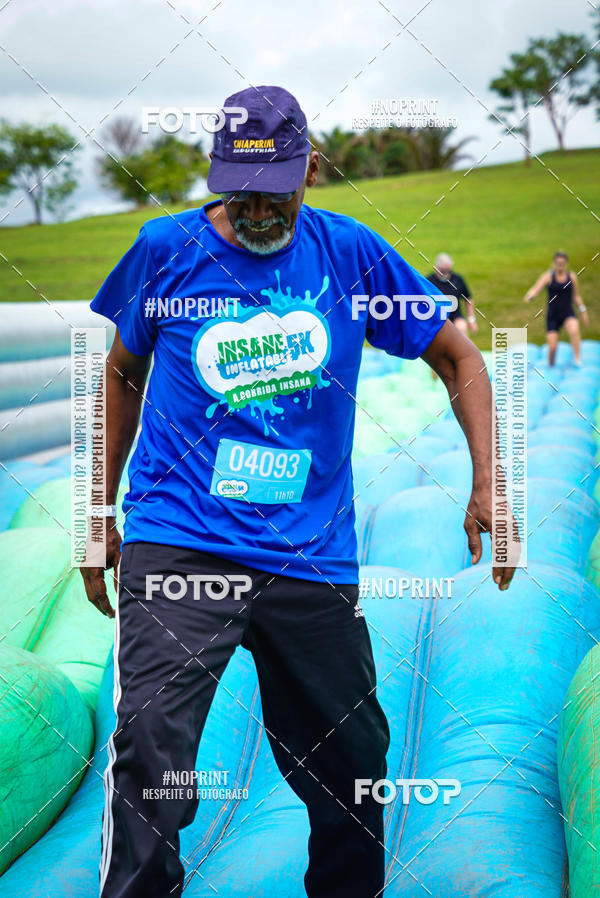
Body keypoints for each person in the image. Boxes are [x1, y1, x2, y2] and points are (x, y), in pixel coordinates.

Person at [81, 85, 514, 898]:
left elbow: (461, 356)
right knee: (151, 753)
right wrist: (95, 513)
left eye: (275, 190)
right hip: (179, 539)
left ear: (311, 169)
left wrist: (490, 478)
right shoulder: (163, 250)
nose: (255, 209)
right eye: (237, 191)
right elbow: (119, 373)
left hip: (310, 554)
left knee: (354, 765)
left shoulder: (350, 255)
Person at [524, 250, 588, 366]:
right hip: (553, 315)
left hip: (567, 313)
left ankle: (577, 359)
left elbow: (576, 296)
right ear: (554, 263)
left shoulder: (571, 277)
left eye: (562, 263)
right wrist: (530, 295)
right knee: (552, 347)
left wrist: (583, 310)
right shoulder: (548, 276)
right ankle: (551, 365)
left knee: (574, 330)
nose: (560, 266)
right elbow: (536, 288)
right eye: (558, 263)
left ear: (566, 264)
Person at [427, 253, 478, 336]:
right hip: (435, 317)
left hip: (455, 316)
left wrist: (472, 320)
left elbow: (468, 299)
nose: (446, 274)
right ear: (436, 268)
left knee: (461, 326)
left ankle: (462, 348)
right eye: (443, 271)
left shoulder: (457, 280)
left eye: (448, 271)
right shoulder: (429, 281)